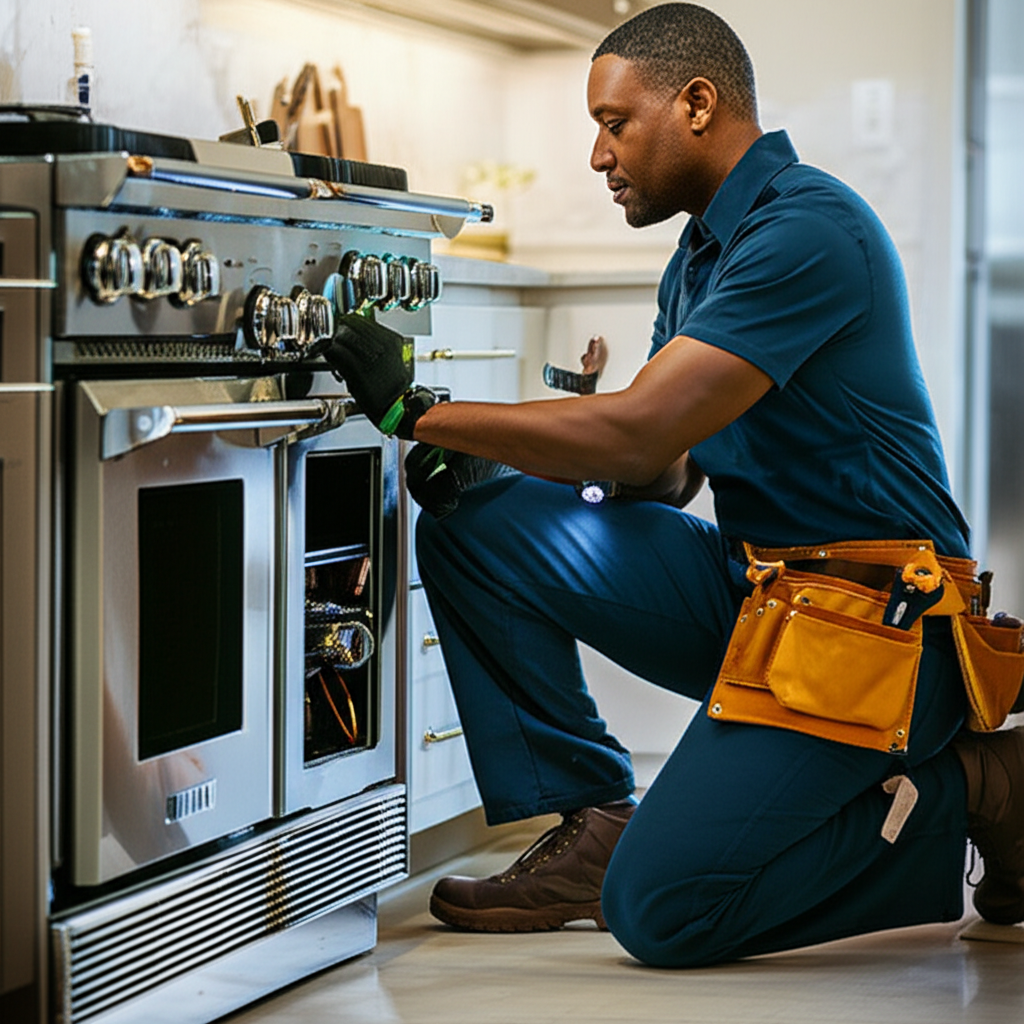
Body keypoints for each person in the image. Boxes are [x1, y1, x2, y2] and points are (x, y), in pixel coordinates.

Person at [325, 2, 1024, 968]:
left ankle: (982, 785)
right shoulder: (698, 256)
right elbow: (663, 472)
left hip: (879, 630)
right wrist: (504, 457)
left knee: (662, 911)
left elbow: (637, 433)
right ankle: (595, 815)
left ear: (697, 105)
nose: (599, 155)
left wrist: (421, 416)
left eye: (615, 123)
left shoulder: (809, 230)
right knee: (473, 524)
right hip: (762, 596)